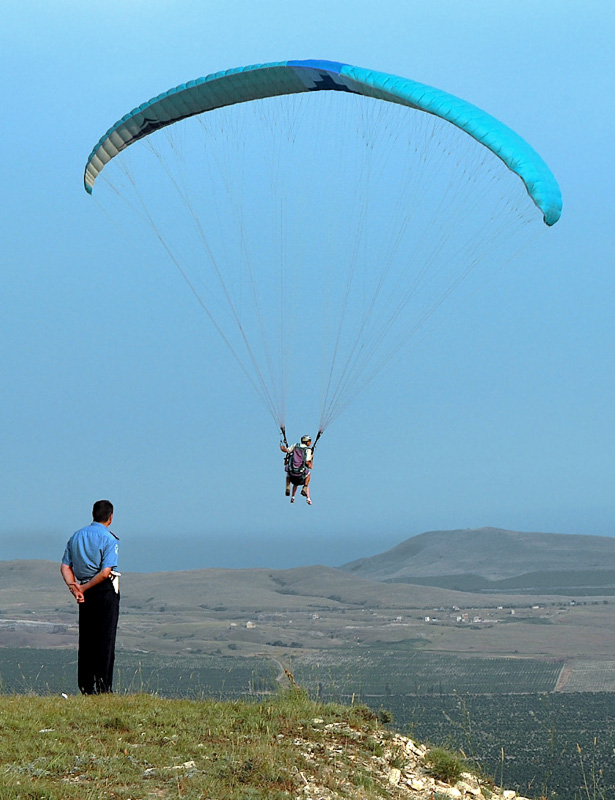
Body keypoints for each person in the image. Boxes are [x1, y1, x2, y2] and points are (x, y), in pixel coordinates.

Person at [60, 500, 120, 695]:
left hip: (83, 593)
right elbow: (105, 572)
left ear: (93, 514)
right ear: (110, 517)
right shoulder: (109, 539)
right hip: (102, 590)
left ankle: (86, 686)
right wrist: (84, 587)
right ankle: (104, 687)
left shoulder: (76, 536)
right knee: (105, 639)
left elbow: (65, 567)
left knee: (86, 640)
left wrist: (75, 588)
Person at [280, 435, 313, 505]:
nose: (310, 442)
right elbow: (307, 462)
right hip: (301, 472)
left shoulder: (295, 445)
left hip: (292, 471)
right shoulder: (308, 450)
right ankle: (305, 487)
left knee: (288, 472)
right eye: (310, 441)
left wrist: (283, 449)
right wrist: (311, 464)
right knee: (309, 474)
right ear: (306, 442)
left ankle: (288, 486)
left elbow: (287, 450)